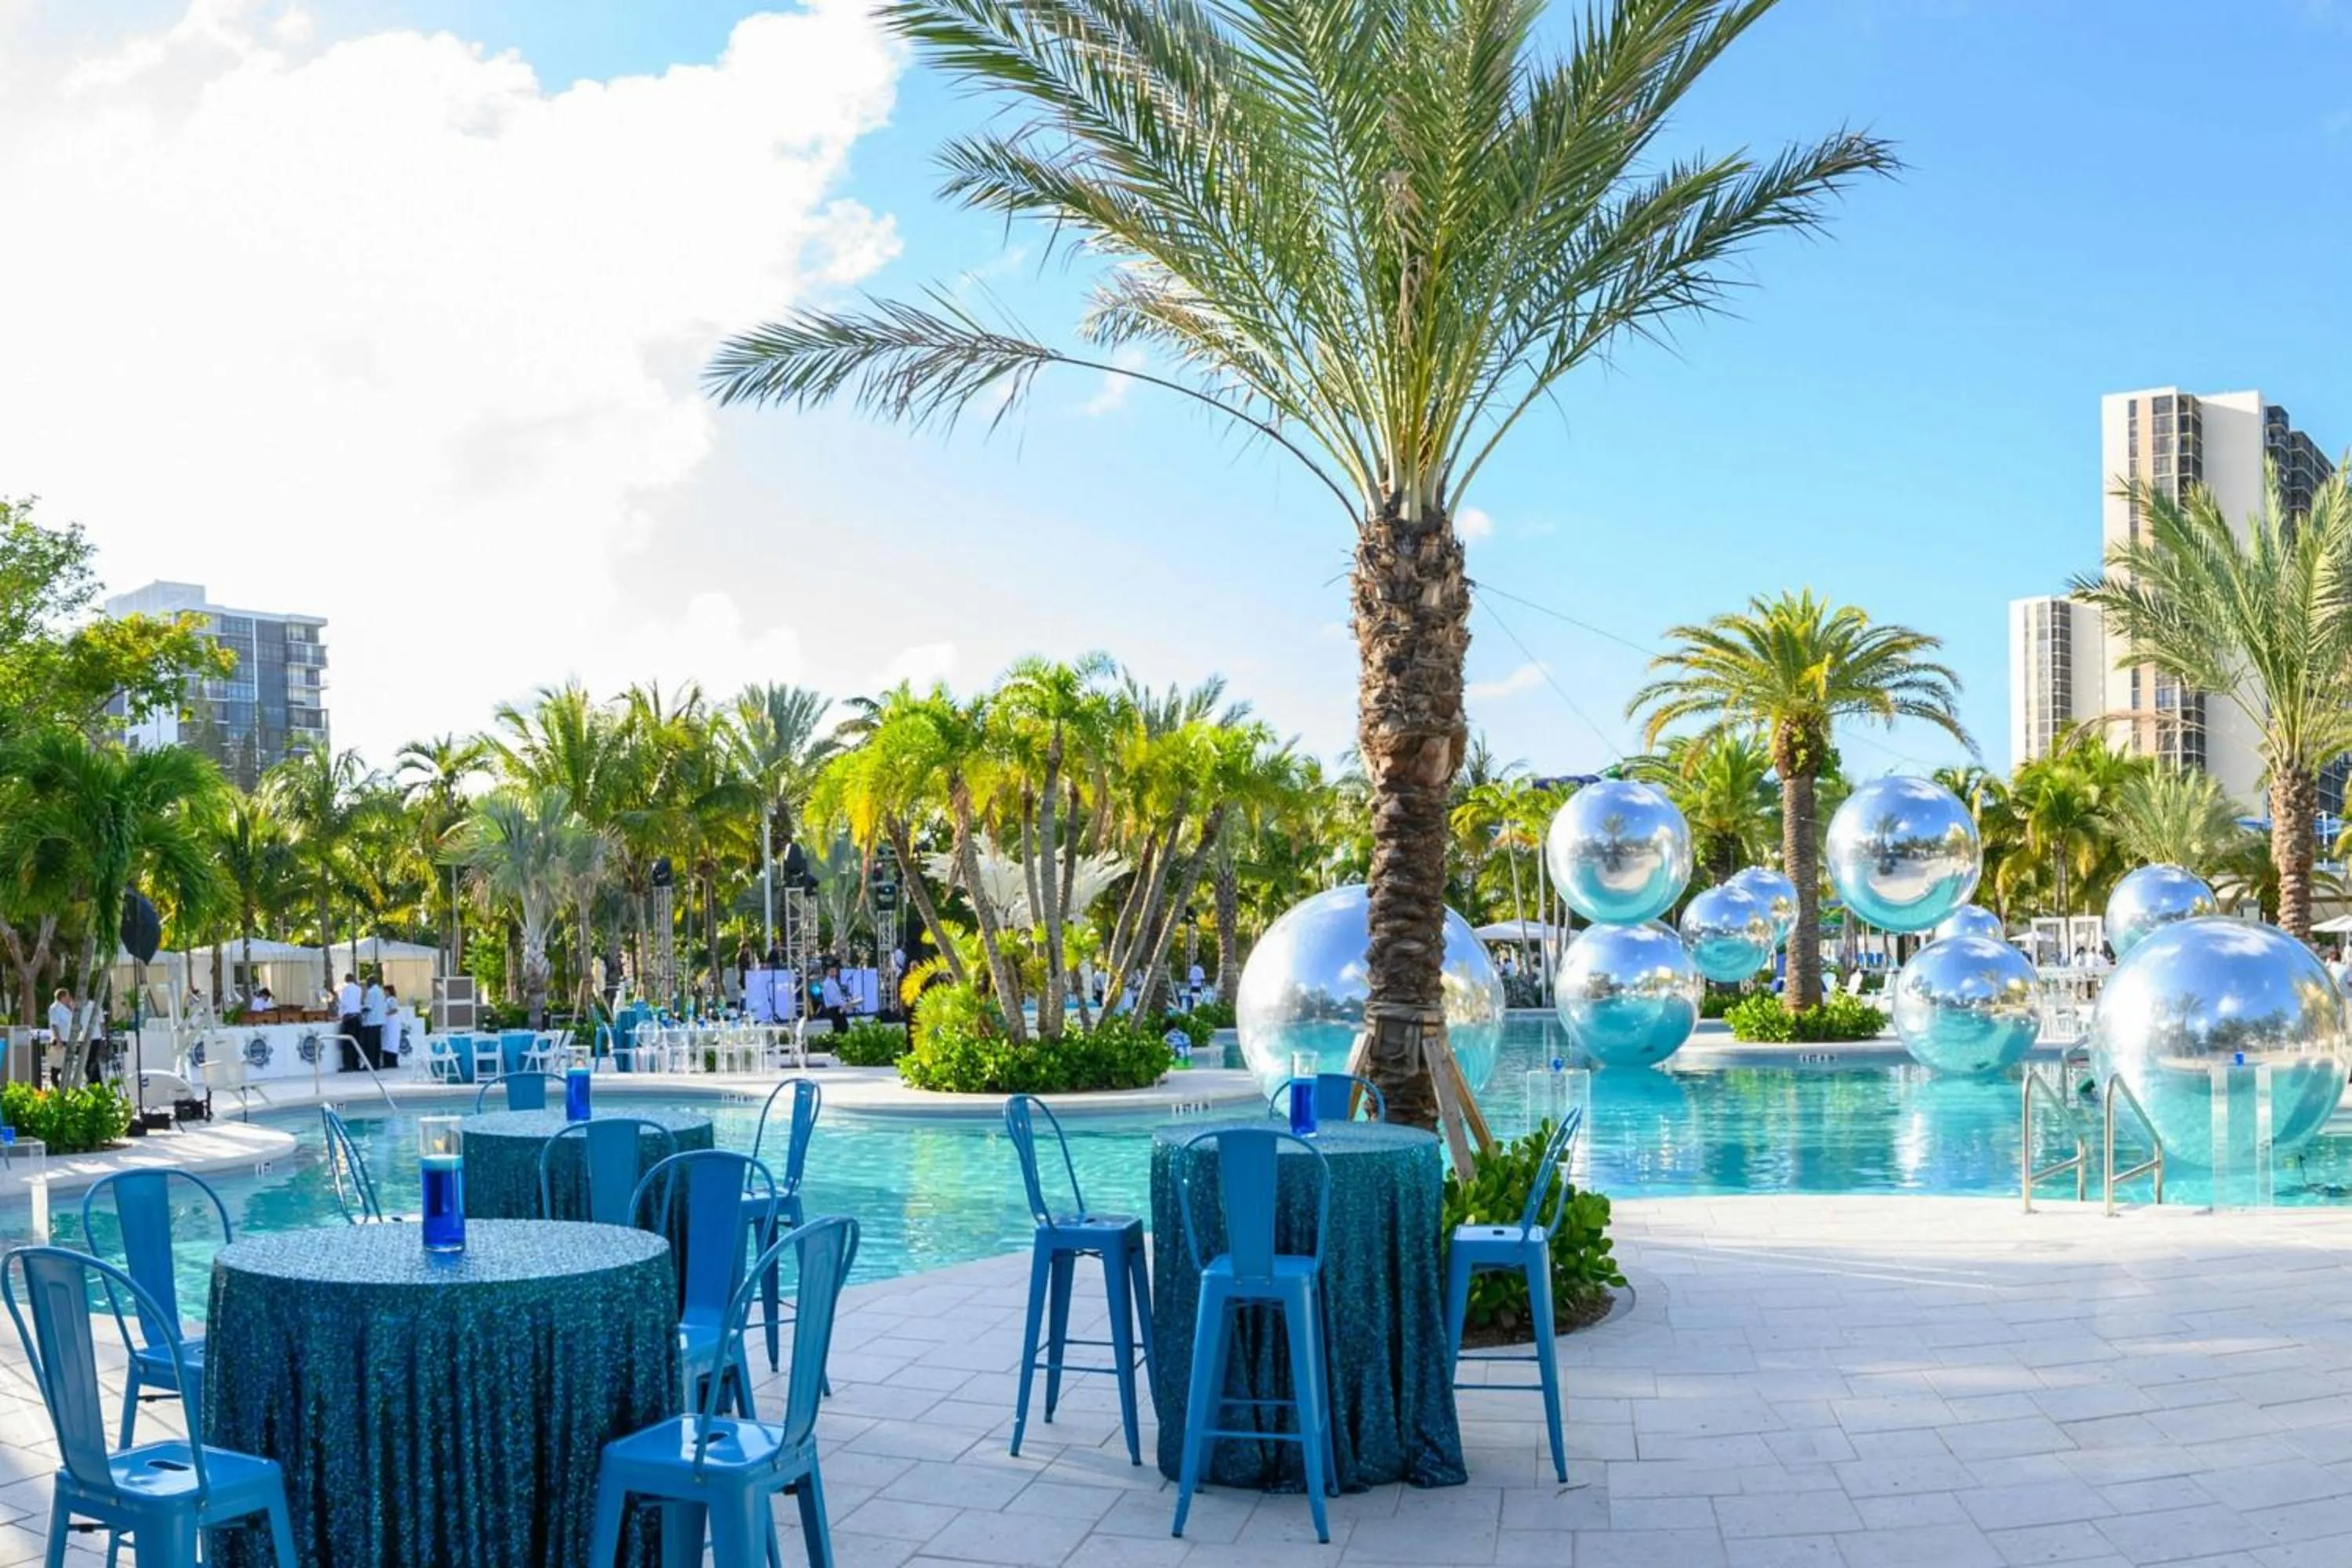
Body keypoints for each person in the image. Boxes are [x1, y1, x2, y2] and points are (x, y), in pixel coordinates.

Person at [336, 971, 363, 1072]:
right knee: (356, 1042)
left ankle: (348, 1065)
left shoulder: (345, 989)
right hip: (358, 1017)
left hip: (348, 1018)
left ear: (346, 980)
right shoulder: (359, 989)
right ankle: (356, 1064)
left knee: (347, 1042)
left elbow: (343, 1003)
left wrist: (340, 1015)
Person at [360, 971, 387, 1069]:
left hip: (371, 1022)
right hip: (379, 1021)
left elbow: (368, 1007)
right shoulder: (380, 991)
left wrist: (359, 1009)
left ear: (370, 982)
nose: (366, 984)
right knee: (377, 1044)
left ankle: (369, 1064)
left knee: (370, 1045)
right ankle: (376, 1063)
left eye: (367, 982)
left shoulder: (371, 992)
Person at [818, 964, 848, 1034]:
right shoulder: (828, 983)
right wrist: (844, 1004)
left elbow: (837, 996)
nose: (834, 973)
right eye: (832, 971)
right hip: (834, 1009)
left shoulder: (833, 982)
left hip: (837, 1008)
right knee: (842, 1028)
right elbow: (833, 999)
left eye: (835, 971)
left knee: (840, 1028)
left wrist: (845, 1000)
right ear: (827, 972)